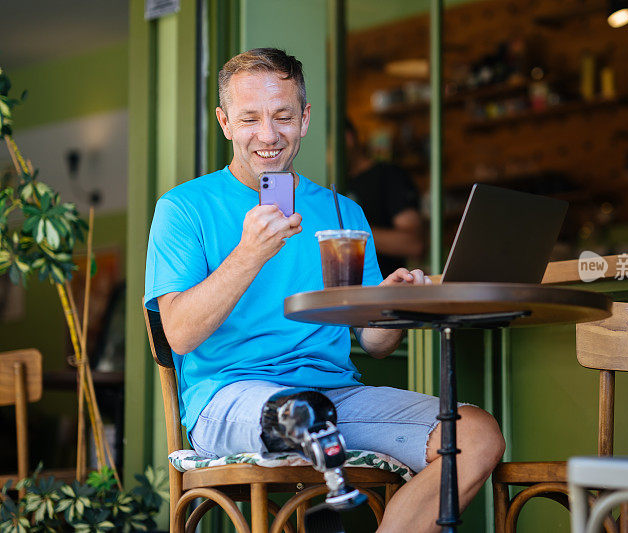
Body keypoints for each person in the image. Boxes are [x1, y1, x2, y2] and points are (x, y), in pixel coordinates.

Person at [144, 48, 504, 532]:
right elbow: (180, 335)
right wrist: (249, 252)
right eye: (250, 119)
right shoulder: (184, 208)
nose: (268, 135)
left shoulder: (342, 212)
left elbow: (373, 344)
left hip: (333, 398)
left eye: (283, 116)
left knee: (477, 436)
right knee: (305, 414)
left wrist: (389, 305)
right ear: (225, 122)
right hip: (230, 399)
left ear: (306, 118)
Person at [345, 120, 424, 275]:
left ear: (348, 138)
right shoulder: (333, 184)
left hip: (388, 288)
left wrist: (351, 234)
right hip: (346, 293)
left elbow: (414, 244)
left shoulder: (388, 176)